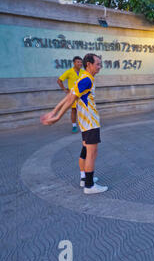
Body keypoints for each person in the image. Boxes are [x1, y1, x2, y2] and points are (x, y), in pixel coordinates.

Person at [41, 53, 108, 194]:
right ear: (88, 64)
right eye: (98, 64)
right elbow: (71, 98)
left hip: (85, 122)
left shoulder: (83, 78)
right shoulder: (87, 80)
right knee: (92, 153)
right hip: (90, 122)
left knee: (85, 150)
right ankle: (89, 186)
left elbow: (70, 96)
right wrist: (57, 116)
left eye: (100, 64)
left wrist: (54, 112)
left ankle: (84, 178)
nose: (100, 67)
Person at [57, 56, 85, 133]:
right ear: (74, 63)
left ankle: (84, 125)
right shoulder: (69, 72)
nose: (80, 63)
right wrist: (65, 90)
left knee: (83, 110)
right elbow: (59, 80)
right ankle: (74, 126)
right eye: (78, 62)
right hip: (73, 95)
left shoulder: (84, 72)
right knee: (74, 110)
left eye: (80, 62)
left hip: (82, 95)